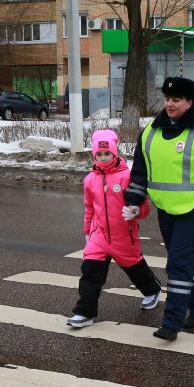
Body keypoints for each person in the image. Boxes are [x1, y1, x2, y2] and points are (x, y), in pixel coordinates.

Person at [124, 76, 194, 341]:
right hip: (166, 208)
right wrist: (133, 199)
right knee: (184, 261)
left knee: (178, 264)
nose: (170, 104)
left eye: (176, 100)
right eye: (167, 99)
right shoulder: (150, 132)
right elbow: (140, 171)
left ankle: (172, 322)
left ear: (190, 102)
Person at [67, 129, 161, 328]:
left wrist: (136, 212)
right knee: (90, 271)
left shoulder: (127, 177)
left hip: (124, 235)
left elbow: (144, 206)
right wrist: (87, 231)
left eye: (107, 153)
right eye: (99, 154)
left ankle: (152, 289)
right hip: (98, 235)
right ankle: (85, 313)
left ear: (114, 153)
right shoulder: (90, 180)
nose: (103, 158)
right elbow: (89, 208)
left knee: (135, 268)